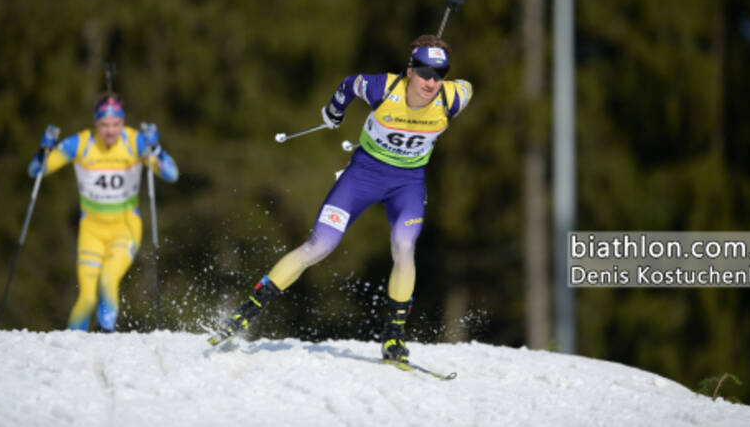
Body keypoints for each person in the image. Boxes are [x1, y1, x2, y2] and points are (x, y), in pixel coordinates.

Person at [210, 35, 473, 362]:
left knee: (404, 247)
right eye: (424, 72)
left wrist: (441, 56)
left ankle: (393, 337)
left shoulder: (452, 98)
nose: (431, 82)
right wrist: (333, 112)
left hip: (407, 183)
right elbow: (350, 85)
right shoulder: (382, 89)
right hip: (362, 176)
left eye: (439, 73)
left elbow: (467, 87)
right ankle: (245, 312)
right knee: (319, 246)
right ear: (410, 71)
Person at [28, 92, 179, 332]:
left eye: (116, 124)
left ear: (123, 122)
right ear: (95, 123)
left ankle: (105, 335)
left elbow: (171, 175)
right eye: (104, 125)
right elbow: (37, 172)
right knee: (86, 298)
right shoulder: (81, 143)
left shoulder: (133, 141)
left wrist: (156, 148)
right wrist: (42, 151)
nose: (110, 131)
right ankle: (69, 345)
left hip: (126, 228)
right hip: (92, 231)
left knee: (108, 280)